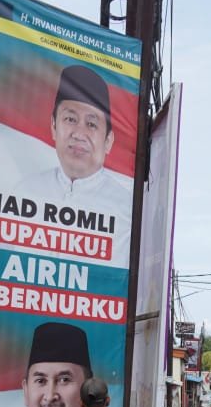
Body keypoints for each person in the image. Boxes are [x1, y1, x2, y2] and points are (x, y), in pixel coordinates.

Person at [13, 64, 132, 266]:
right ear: (53, 127)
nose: (78, 134)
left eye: (91, 124)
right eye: (70, 119)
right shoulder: (24, 192)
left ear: (108, 141)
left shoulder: (127, 208)